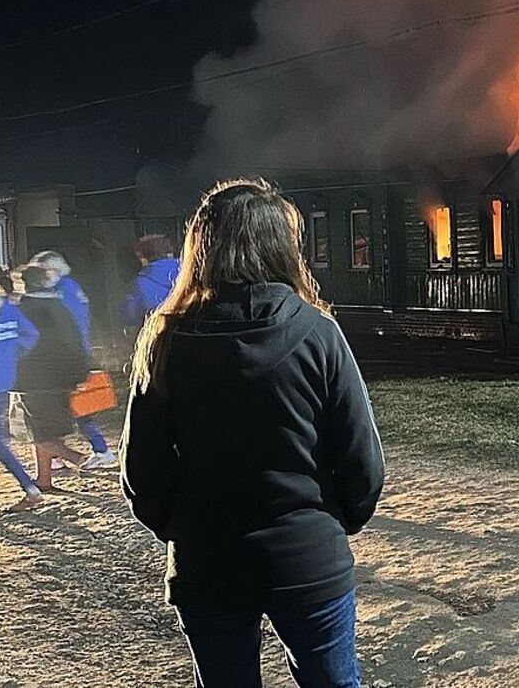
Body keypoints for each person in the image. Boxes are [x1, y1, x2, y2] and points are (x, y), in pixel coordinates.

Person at [121, 178, 385, 688]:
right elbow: (361, 460)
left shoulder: (166, 340)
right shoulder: (318, 333)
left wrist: (183, 528)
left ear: (202, 249)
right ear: (282, 246)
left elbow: (142, 472)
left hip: (207, 562)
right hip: (307, 557)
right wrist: (330, 525)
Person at [30, 250, 115, 469]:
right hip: (75, 353)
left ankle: (99, 449)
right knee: (69, 405)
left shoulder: (59, 293)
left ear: (52, 270)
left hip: (65, 357)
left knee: (74, 406)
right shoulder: (72, 287)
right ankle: (63, 453)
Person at [12, 264, 91, 491]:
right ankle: (44, 479)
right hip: (62, 377)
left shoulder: (21, 309)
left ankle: (78, 459)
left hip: (33, 379)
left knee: (35, 432)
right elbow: (76, 340)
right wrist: (79, 371)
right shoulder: (60, 306)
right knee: (45, 429)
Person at [0, 268, 43, 512]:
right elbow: (31, 334)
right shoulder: (4, 306)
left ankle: (30, 487)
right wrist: (11, 355)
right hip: (3, 379)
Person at [121, 234, 181, 328]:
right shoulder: (192, 272)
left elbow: (128, 319)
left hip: (159, 337)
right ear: (170, 252)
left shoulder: (137, 286)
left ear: (143, 258)